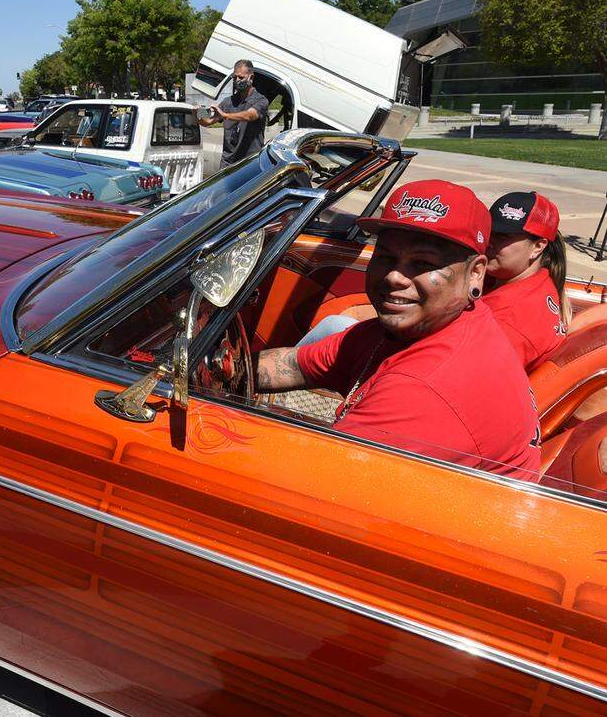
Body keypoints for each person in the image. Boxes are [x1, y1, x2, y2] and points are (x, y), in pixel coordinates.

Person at [248, 179, 541, 481]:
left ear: (475, 273)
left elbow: (317, 483)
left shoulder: (426, 388)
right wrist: (219, 367)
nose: (394, 277)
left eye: (423, 263)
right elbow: (296, 365)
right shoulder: (434, 325)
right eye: (386, 256)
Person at [482, 191, 568, 371]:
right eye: (490, 231)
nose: (489, 242)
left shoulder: (506, 320)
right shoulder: (541, 281)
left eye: (503, 236)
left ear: (538, 247)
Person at [197, 59, 269, 169]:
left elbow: (249, 115)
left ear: (251, 77)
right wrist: (196, 112)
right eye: (235, 77)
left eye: (241, 77)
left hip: (250, 164)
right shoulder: (228, 102)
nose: (237, 80)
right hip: (228, 165)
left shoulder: (261, 101)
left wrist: (225, 116)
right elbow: (208, 120)